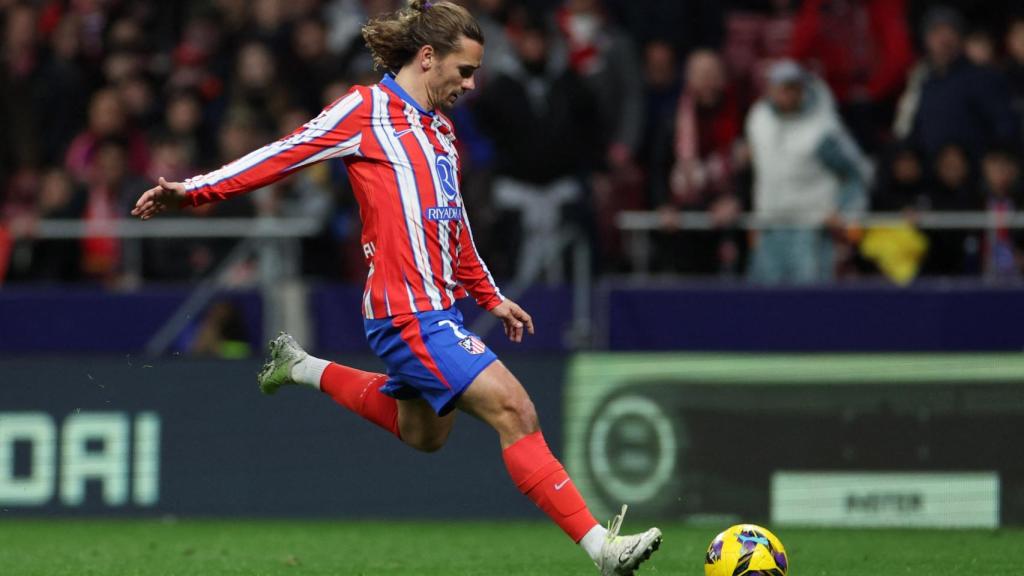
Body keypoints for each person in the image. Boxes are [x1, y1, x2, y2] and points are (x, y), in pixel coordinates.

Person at [130, 2, 661, 575]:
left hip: (441, 312)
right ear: (428, 58)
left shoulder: (443, 134)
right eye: (463, 70)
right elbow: (281, 154)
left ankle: (301, 366)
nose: (470, 83)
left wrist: (489, 296)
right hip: (406, 314)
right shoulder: (365, 110)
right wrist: (195, 191)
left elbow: (453, 225)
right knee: (515, 409)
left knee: (425, 435)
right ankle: (600, 549)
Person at [745, 60, 870, 284]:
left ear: (802, 89)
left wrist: (843, 210)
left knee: (809, 307)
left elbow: (857, 173)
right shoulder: (757, 119)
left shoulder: (822, 130)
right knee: (760, 307)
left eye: (793, 87)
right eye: (781, 87)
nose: (787, 93)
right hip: (769, 229)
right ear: (770, 89)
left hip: (811, 232)